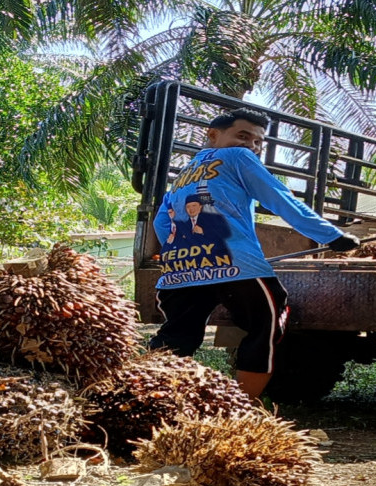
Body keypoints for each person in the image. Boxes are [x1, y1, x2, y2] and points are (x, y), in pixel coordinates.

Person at [150, 107, 360, 400]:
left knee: (177, 336)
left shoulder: (183, 174)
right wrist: (331, 236)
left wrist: (184, 252)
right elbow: (279, 198)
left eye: (258, 142)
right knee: (267, 325)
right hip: (236, 265)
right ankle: (243, 408)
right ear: (213, 134)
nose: (251, 146)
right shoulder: (238, 158)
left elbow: (162, 222)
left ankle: (148, 395)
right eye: (243, 135)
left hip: (180, 272)